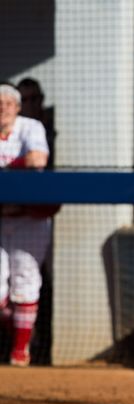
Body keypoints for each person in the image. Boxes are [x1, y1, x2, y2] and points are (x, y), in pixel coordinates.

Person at [0, 83, 53, 366]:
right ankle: (19, 327)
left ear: (18, 108)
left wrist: (6, 172)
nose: (3, 107)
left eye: (9, 103)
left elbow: (37, 160)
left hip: (28, 220)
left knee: (26, 283)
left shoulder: (30, 127)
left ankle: (20, 352)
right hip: (0, 218)